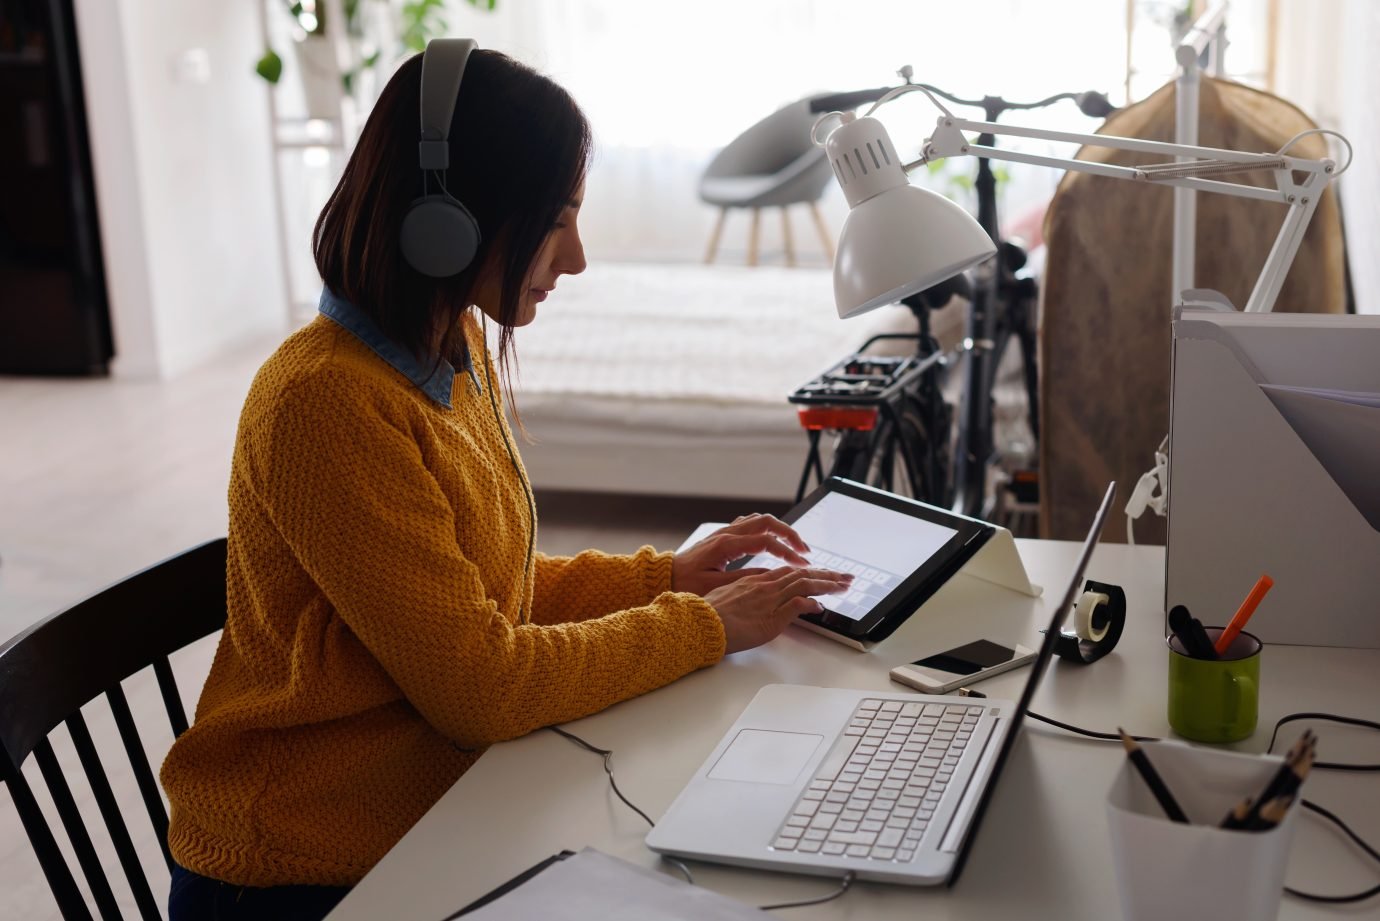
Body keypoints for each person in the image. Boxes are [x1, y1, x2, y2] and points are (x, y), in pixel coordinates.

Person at [159, 41, 852, 920]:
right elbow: (482, 686)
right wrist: (702, 625)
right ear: (446, 220)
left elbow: (479, 600)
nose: (576, 258)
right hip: (303, 867)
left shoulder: (453, 345)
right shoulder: (323, 402)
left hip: (434, 812)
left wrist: (665, 576)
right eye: (555, 219)